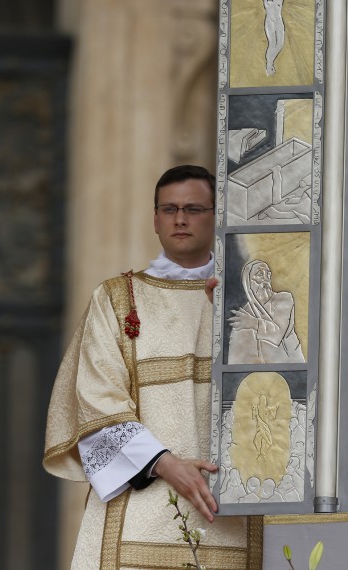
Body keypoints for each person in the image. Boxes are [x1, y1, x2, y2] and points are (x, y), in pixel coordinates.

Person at [43, 165, 261, 568]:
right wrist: (165, 463)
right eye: (170, 209)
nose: (180, 219)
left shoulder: (253, 296)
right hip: (139, 499)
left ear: (218, 215)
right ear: (155, 219)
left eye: (194, 208)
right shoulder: (117, 298)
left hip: (233, 499)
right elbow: (96, 400)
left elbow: (275, 387)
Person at [227, 258, 303, 363]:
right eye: (260, 275)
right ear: (248, 282)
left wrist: (252, 323)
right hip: (259, 375)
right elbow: (235, 355)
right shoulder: (245, 313)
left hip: (291, 366)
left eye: (268, 275)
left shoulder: (284, 299)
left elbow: (277, 335)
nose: (266, 280)